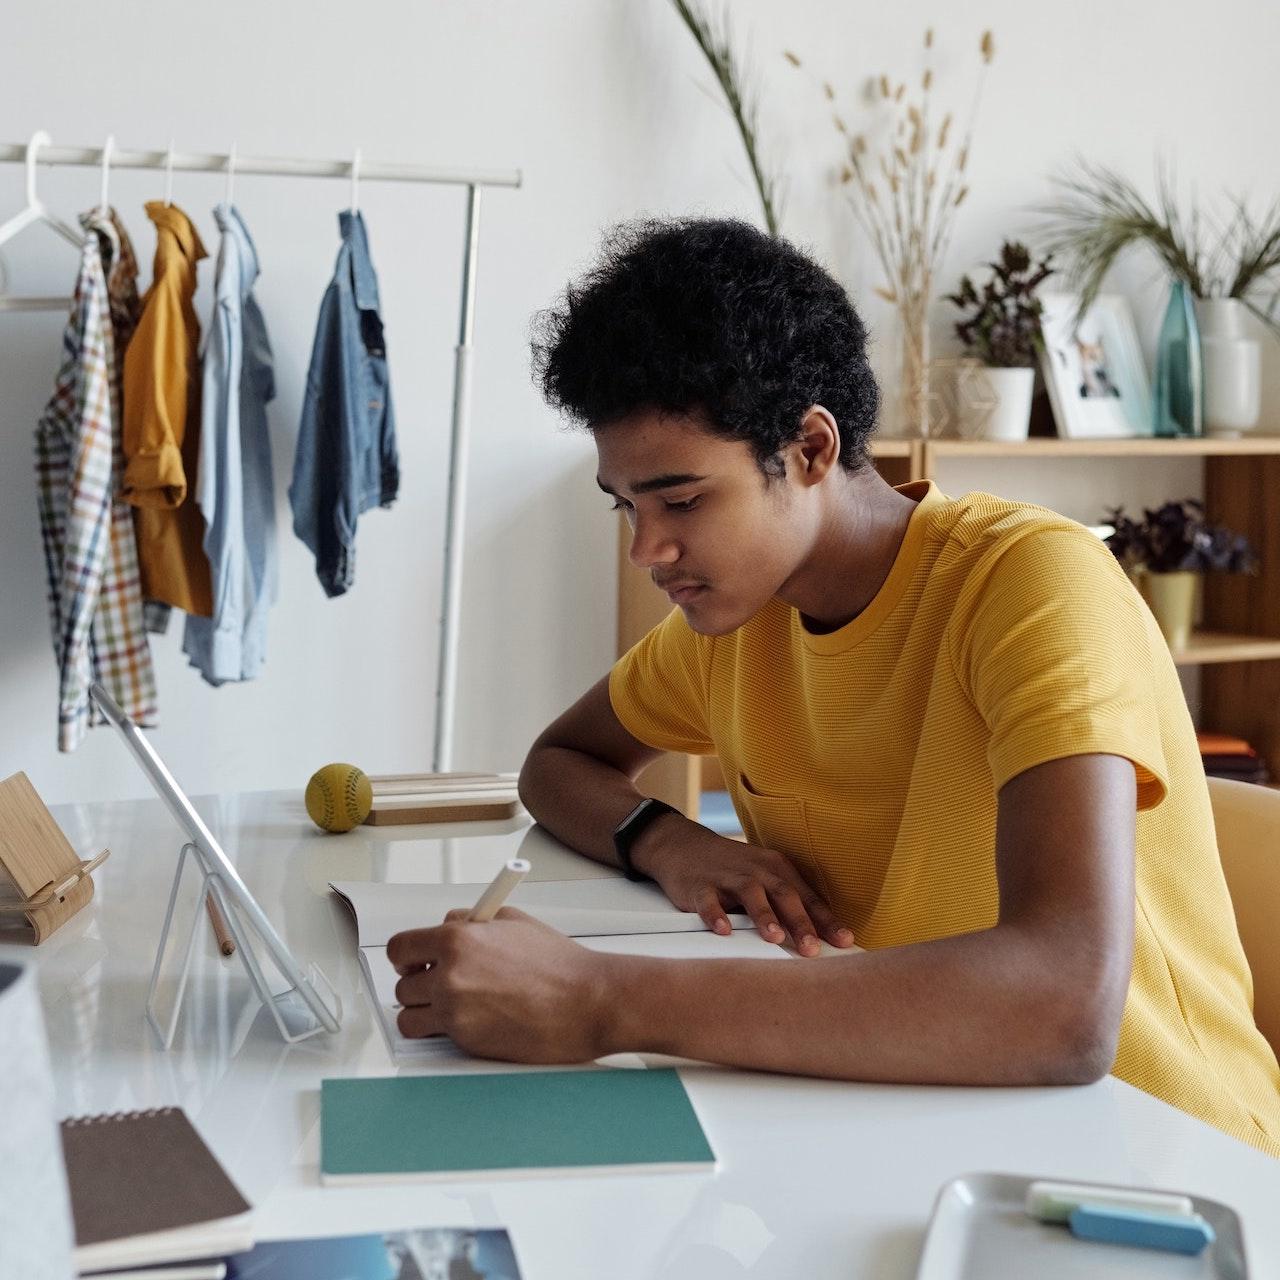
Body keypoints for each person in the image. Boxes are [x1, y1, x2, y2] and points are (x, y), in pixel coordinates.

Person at [388, 217, 1280, 1157]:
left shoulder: (1027, 583)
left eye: (682, 501)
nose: (648, 549)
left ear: (812, 448)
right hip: (913, 1122)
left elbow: (1064, 1003)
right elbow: (559, 762)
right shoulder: (732, 624)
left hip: (1168, 1160)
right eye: (627, 507)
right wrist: (671, 843)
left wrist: (602, 999)